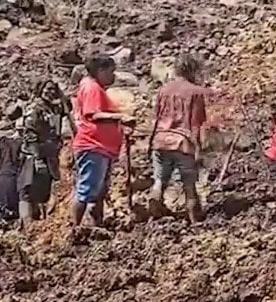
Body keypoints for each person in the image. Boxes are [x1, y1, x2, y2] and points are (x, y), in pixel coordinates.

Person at [71, 54, 135, 235]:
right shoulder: (92, 88)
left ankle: (96, 225)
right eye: (110, 71)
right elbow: (94, 114)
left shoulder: (94, 87)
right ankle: (75, 230)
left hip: (100, 147)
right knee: (86, 189)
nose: (113, 76)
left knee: (99, 190)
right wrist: (121, 116)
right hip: (93, 145)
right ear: (100, 71)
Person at [148, 54, 208, 222]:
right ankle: (195, 219)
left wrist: (150, 142)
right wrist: (199, 150)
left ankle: (154, 207)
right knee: (189, 185)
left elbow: (157, 117)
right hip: (183, 143)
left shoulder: (163, 90)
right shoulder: (195, 92)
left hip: (160, 140)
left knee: (159, 180)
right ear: (192, 70)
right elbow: (197, 123)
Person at [19, 80, 67, 233]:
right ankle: (27, 224)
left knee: (46, 189)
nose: (50, 92)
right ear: (40, 90)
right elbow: (29, 133)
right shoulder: (35, 108)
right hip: (34, 155)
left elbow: (68, 107)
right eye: (47, 89)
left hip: (51, 154)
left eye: (53, 89)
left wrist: (61, 95)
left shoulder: (55, 107)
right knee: (29, 190)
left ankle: (43, 224)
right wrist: (37, 156)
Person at [0, 130, 23, 225]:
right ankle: (9, 214)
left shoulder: (3, 143)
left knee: (2, 198)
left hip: (1, 175)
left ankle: (2, 214)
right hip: (12, 176)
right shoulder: (20, 144)